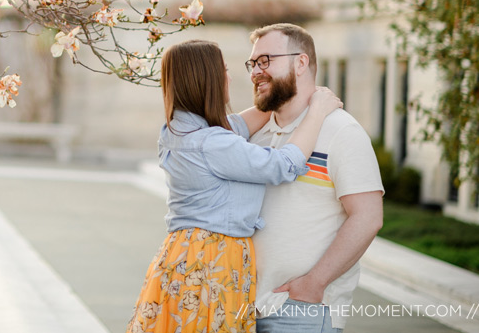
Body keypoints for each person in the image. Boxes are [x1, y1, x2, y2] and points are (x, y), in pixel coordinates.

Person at [127, 39, 343, 333]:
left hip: (184, 255)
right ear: (208, 80)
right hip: (211, 259)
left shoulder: (177, 130)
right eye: (224, 70)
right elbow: (283, 165)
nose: (229, 77)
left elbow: (237, 126)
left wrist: (283, 93)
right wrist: (317, 112)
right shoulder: (211, 143)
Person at [246, 23, 384, 333]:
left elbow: (368, 217)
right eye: (253, 63)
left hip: (300, 310)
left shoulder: (341, 132)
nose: (256, 71)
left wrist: (314, 283)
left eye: (266, 60)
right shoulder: (256, 135)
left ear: (301, 62)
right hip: (243, 307)